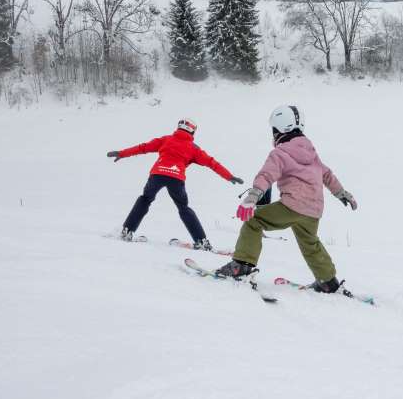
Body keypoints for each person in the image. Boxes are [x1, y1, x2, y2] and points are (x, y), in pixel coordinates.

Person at [216, 105, 357, 292]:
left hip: (292, 205)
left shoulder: (280, 153)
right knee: (310, 243)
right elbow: (327, 174)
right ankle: (328, 282)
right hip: (313, 211)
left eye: (273, 131)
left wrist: (252, 197)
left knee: (254, 221)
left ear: (279, 129)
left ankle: (241, 266)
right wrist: (342, 193)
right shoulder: (312, 154)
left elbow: (266, 175)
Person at [108, 117, 243, 250]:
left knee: (145, 199)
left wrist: (122, 153)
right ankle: (201, 241)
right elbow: (211, 163)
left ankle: (127, 231)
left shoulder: (166, 139)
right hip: (176, 178)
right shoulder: (194, 148)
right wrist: (229, 176)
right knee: (183, 208)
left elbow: (143, 148)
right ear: (192, 131)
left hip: (157, 174)